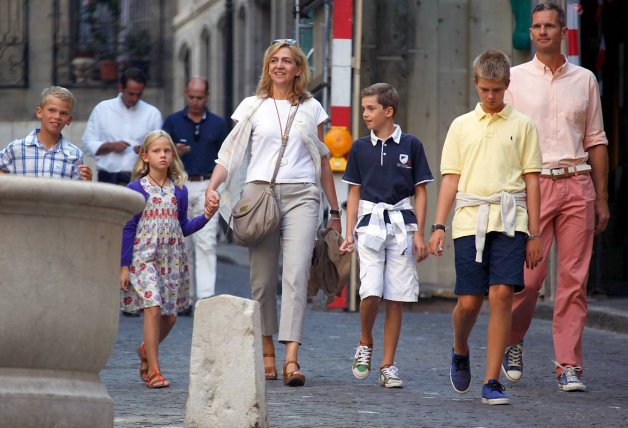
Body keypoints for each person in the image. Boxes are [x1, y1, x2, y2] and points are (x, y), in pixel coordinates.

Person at [204, 39, 342, 387]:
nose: (280, 66)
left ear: (298, 68)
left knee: (295, 275)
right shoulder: (252, 106)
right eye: (274, 61)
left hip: (301, 196)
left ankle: (291, 359)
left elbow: (322, 160)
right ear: (268, 67)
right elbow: (230, 154)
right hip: (260, 195)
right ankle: (267, 350)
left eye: (287, 61)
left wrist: (335, 209)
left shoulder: (313, 109)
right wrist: (212, 186)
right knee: (262, 281)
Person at [502, 2, 609, 392]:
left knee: (573, 281)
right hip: (534, 185)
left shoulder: (585, 80)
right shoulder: (514, 79)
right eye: (537, 26)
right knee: (527, 281)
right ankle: (513, 338)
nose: (543, 31)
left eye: (550, 25)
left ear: (563, 31)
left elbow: (596, 140)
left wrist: (601, 198)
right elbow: (506, 141)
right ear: (530, 33)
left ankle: (568, 365)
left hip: (578, 182)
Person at [428, 50, 542, 405]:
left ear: (507, 85)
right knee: (469, 302)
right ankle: (459, 348)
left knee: (502, 295)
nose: (491, 96)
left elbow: (532, 181)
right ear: (475, 84)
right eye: (485, 90)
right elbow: (450, 179)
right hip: (469, 220)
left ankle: (492, 380)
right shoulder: (461, 126)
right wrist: (438, 225)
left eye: (497, 90)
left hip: (511, 220)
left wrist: (535, 233)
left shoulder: (523, 125)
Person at [339, 83, 433, 388]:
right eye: (364, 108)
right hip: (369, 225)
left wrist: (419, 232)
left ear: (388, 111)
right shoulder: (358, 148)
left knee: (396, 297)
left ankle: (388, 365)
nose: (365, 114)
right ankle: (365, 339)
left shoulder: (412, 145)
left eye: (370, 108)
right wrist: (348, 231)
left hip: (402, 226)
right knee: (371, 291)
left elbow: (420, 191)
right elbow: (353, 191)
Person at [119, 130, 215, 388]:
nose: (162, 155)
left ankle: (144, 351)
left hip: (172, 258)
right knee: (152, 306)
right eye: (156, 151)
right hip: (144, 256)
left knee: (170, 317)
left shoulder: (179, 190)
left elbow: (181, 226)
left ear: (173, 155)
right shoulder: (135, 189)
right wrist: (124, 266)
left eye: (167, 151)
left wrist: (206, 216)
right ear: (145, 156)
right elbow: (128, 228)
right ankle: (154, 371)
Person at [162, 76, 229, 309]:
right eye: (191, 96)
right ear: (185, 93)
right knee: (181, 243)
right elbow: (159, 156)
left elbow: (227, 158)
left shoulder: (219, 124)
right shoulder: (172, 122)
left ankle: (206, 298)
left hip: (208, 184)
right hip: (179, 185)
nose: (195, 101)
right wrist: (173, 153)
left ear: (207, 96)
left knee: (207, 241)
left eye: (200, 97)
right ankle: (184, 298)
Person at [82, 68, 162, 186]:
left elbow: (160, 150)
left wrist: (146, 151)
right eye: (131, 94)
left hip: (140, 178)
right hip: (107, 176)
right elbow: (87, 143)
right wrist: (110, 146)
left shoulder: (152, 114)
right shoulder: (103, 109)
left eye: (138, 94)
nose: (134, 98)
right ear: (121, 88)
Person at [0, 86, 92, 180]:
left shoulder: (75, 154)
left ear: (69, 120)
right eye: (51, 110)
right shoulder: (16, 148)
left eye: (63, 113)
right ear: (39, 112)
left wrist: (86, 181)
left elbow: (77, 191)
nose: (57, 116)